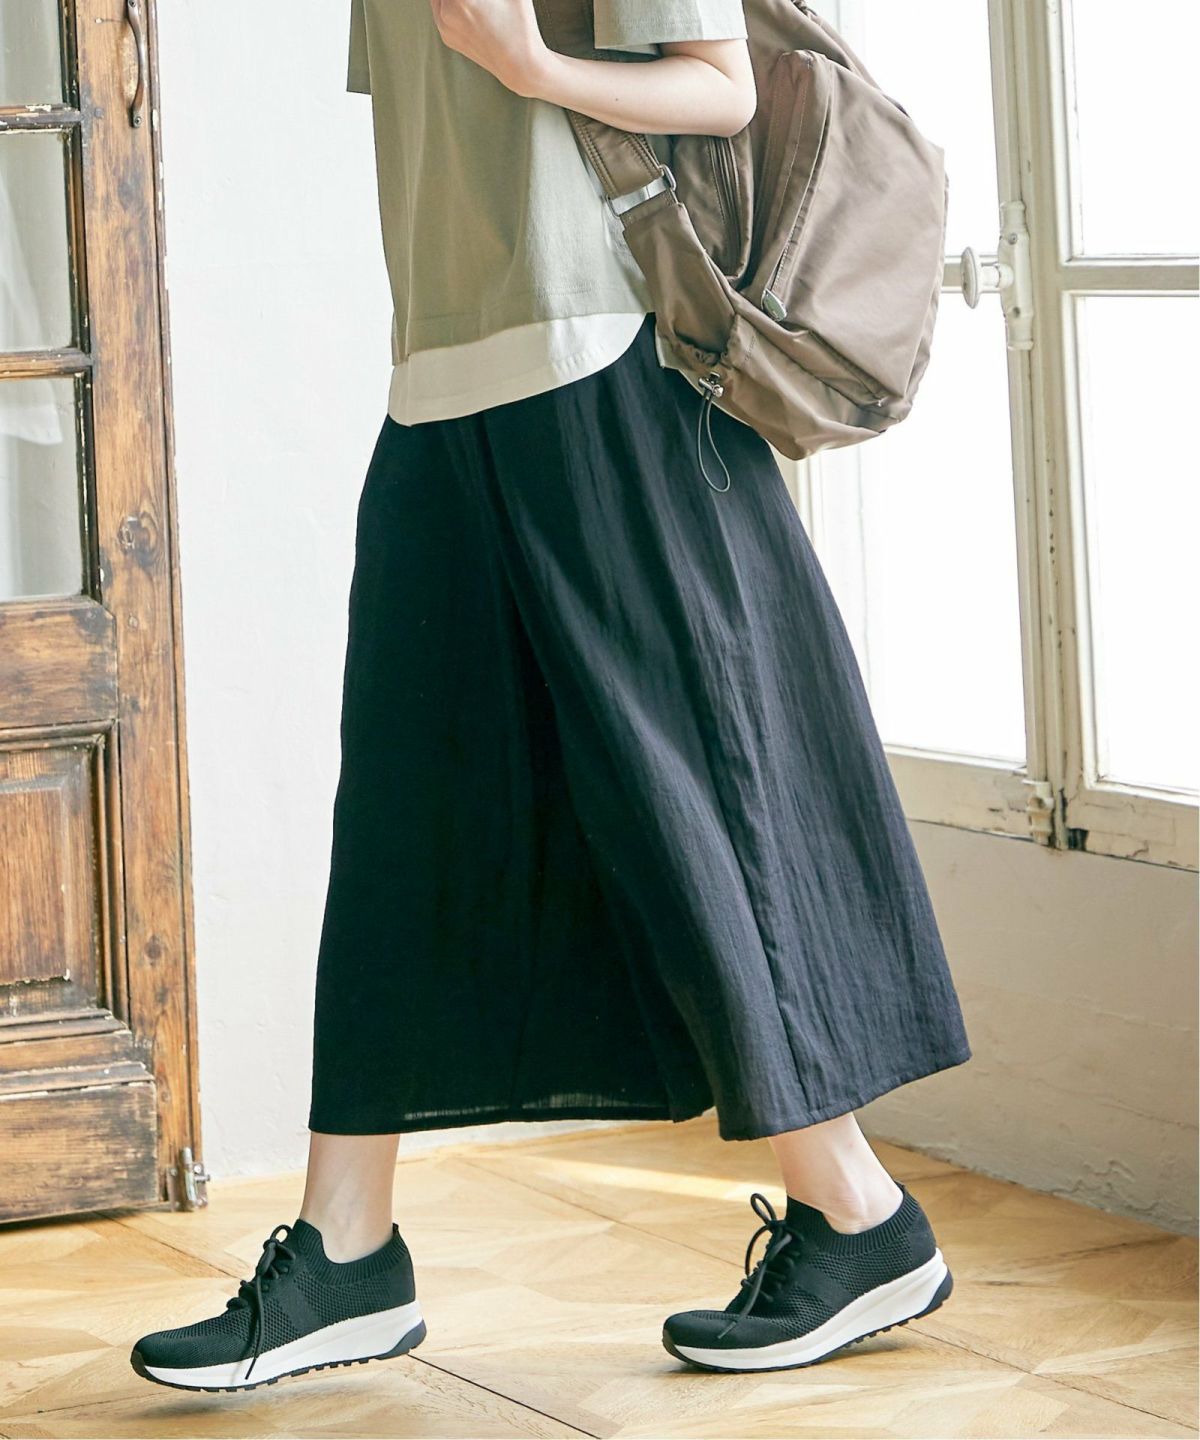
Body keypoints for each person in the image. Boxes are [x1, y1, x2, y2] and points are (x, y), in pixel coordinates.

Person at [130, 0, 972, 1392]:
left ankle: (858, 1212)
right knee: (402, 813)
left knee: (682, 799)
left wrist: (529, 64)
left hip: (606, 358)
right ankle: (347, 1251)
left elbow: (720, 88)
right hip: (443, 376)